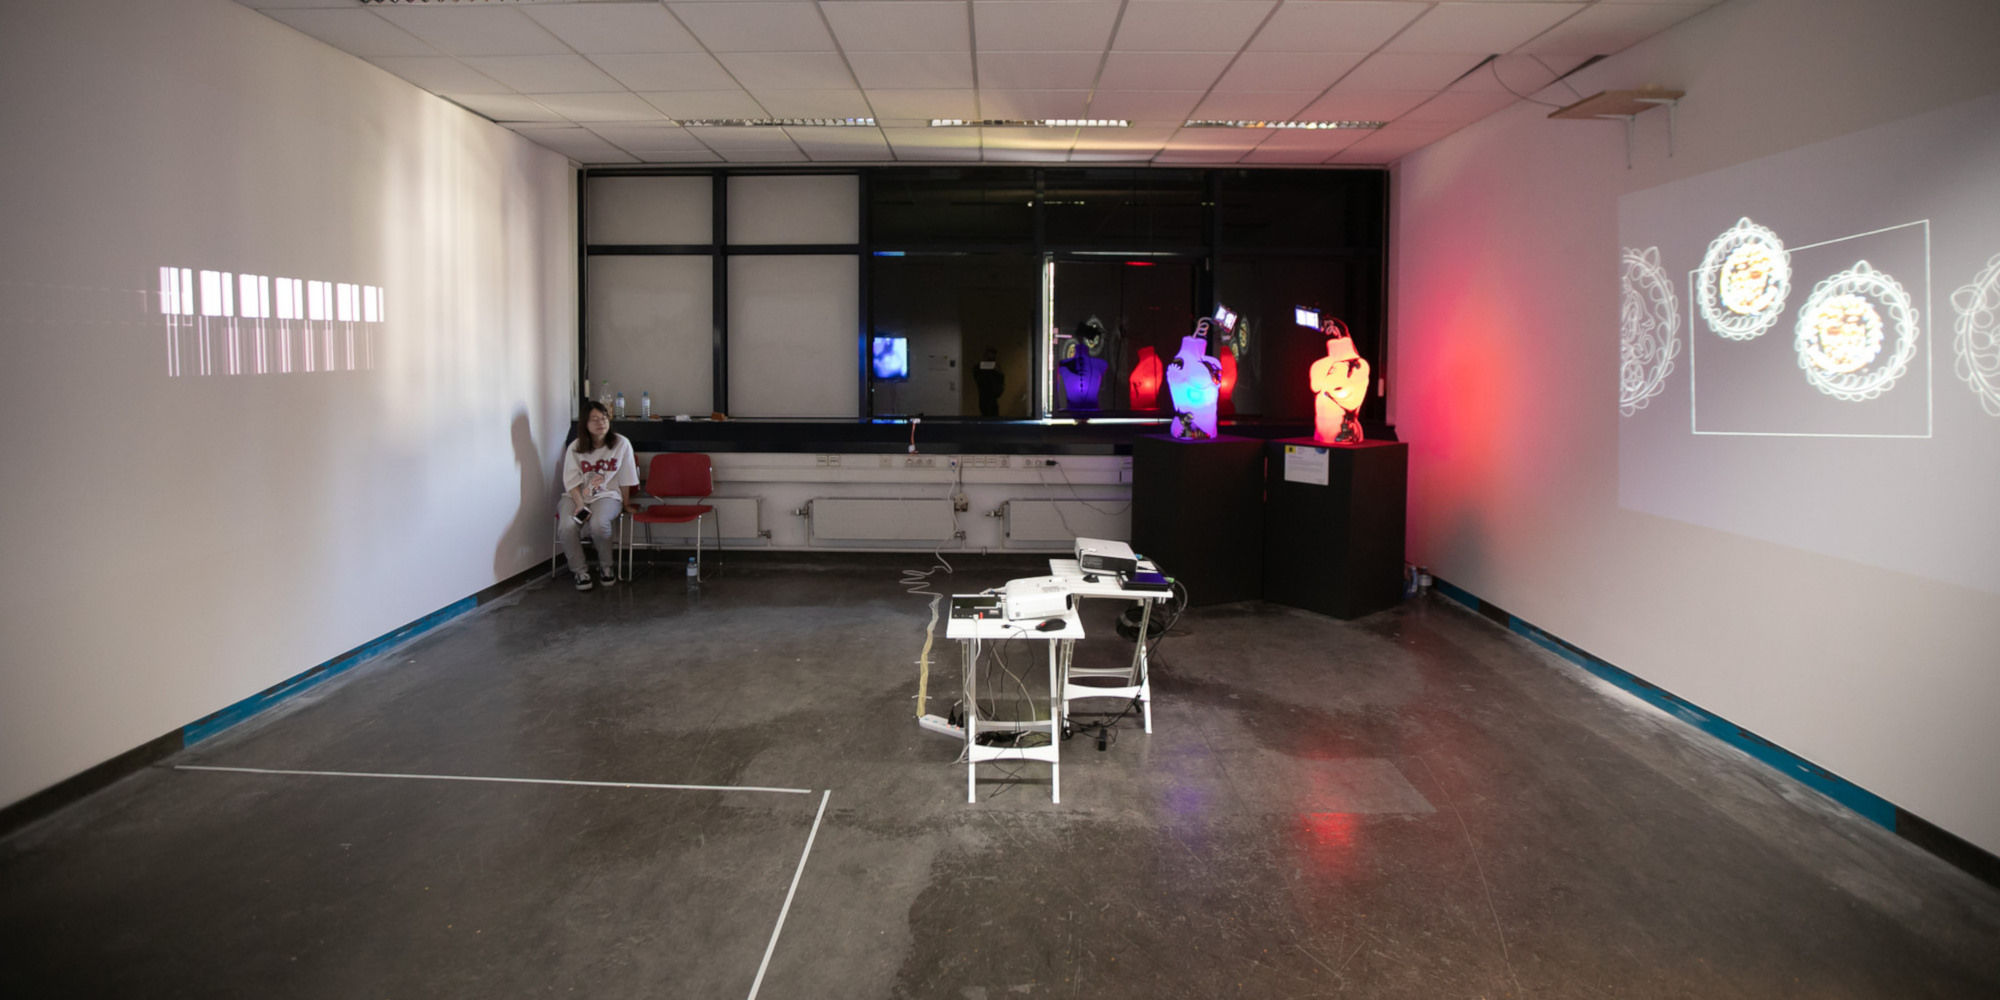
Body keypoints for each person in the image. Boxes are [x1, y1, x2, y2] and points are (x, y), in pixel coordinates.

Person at [559, 400, 638, 591]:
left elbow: (626, 476)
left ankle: (606, 567)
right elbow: (571, 482)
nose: (600, 423)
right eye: (594, 419)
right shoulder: (575, 447)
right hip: (576, 496)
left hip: (607, 495)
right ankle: (580, 571)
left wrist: (626, 503)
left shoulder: (621, 443)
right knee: (567, 527)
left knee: (599, 524)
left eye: (603, 418)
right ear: (585, 424)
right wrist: (580, 505)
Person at [972, 348, 1005, 417]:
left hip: (993, 396)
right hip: (984, 395)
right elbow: (978, 378)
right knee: (985, 411)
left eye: (992, 358)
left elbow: (1000, 380)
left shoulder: (995, 369)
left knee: (993, 412)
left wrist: (998, 371)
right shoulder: (978, 368)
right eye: (989, 358)